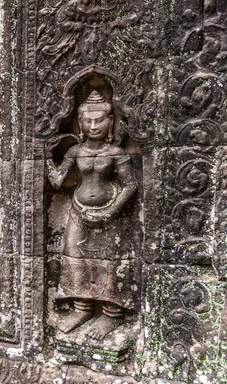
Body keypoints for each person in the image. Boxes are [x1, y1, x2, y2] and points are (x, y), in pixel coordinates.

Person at [47, 90, 138, 340]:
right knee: (74, 259)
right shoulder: (76, 152)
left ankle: (110, 314)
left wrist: (111, 210)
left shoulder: (117, 153)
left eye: (99, 120)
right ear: (80, 123)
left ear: (111, 122)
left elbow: (130, 185)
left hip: (110, 214)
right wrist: (45, 155)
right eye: (88, 120)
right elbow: (57, 181)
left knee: (109, 262)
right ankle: (82, 309)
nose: (94, 125)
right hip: (79, 210)